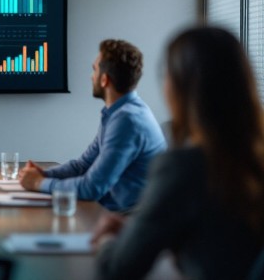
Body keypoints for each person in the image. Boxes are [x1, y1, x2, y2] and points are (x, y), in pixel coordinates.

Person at [92, 26, 264, 279]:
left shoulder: (184, 167)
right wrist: (136, 231)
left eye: (166, 75)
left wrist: (106, 239)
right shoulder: (250, 160)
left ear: (181, 87)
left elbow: (117, 270)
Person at [19, 39, 166, 212]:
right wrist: (44, 174)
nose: (91, 76)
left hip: (127, 224)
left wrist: (38, 183)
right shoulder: (117, 113)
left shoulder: (128, 120)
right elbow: (83, 165)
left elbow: (92, 188)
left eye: (94, 70)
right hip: (113, 215)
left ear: (104, 80)